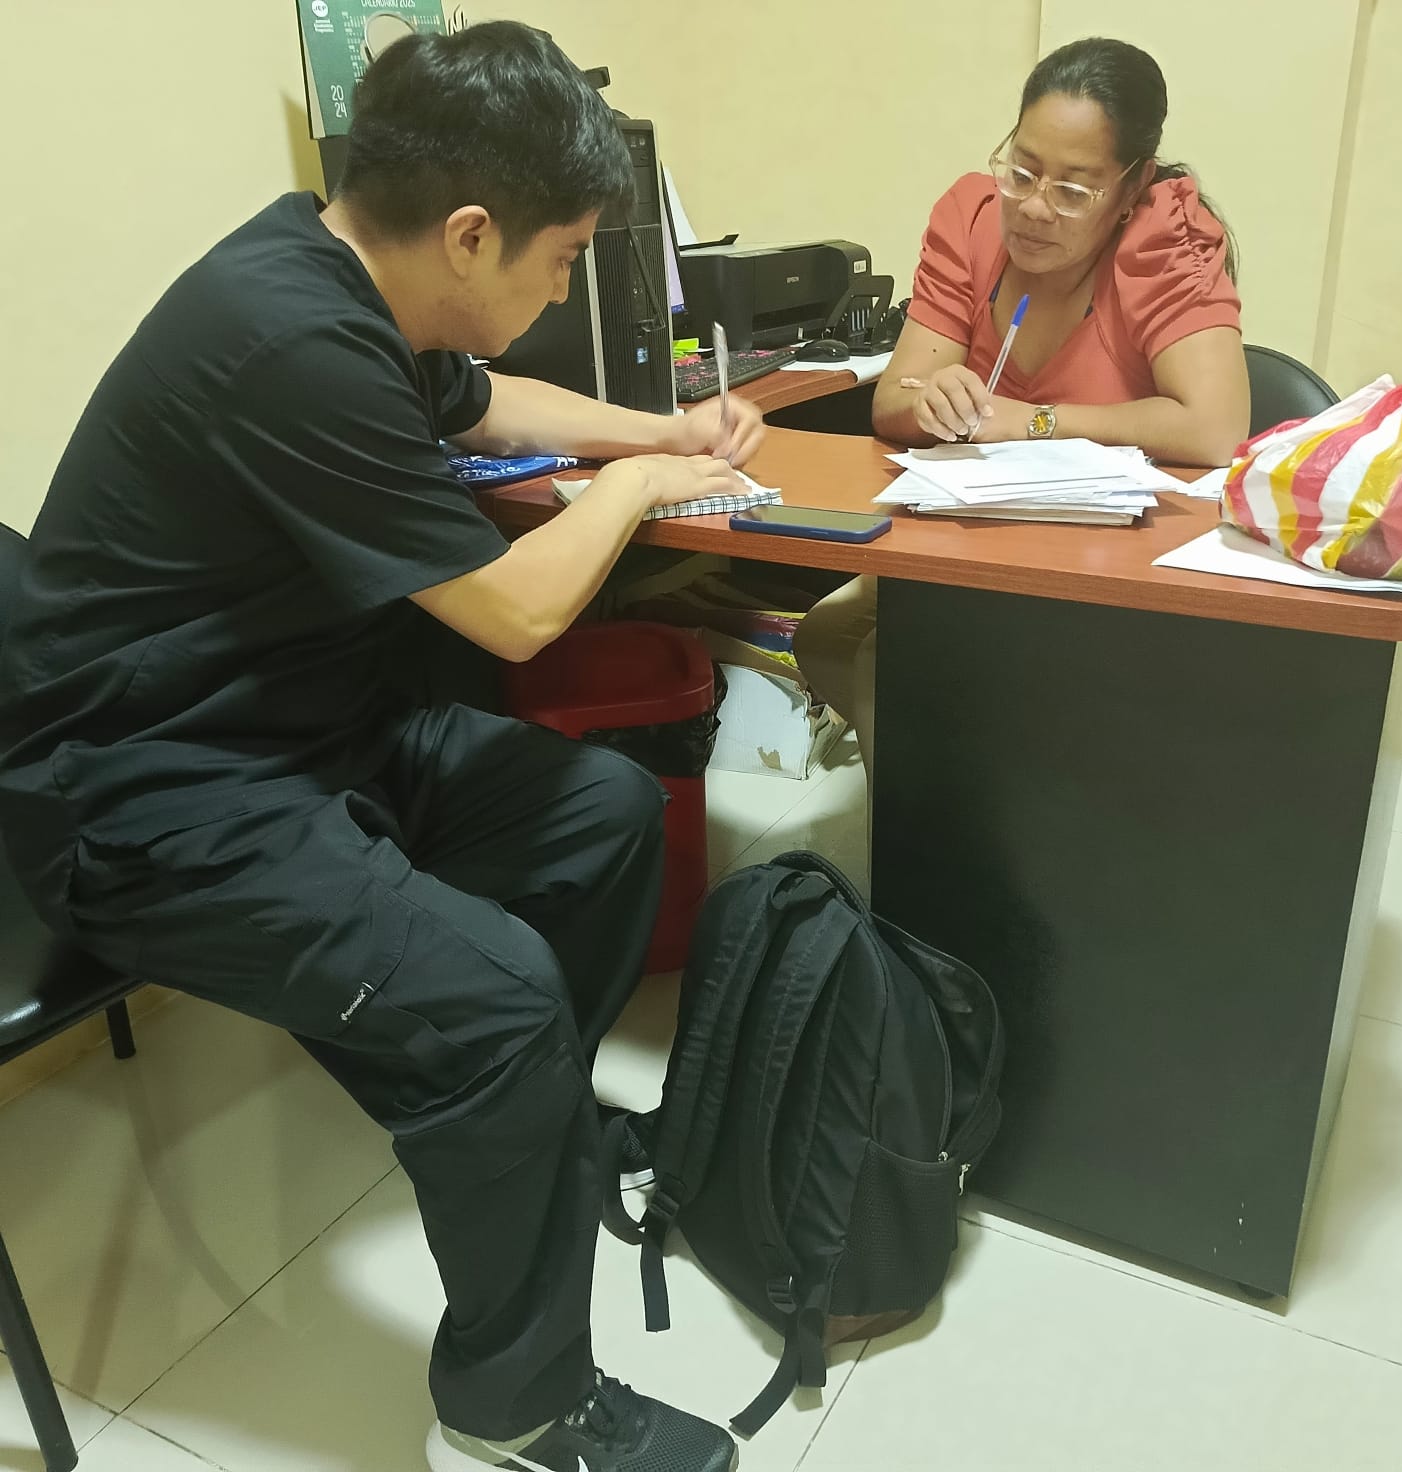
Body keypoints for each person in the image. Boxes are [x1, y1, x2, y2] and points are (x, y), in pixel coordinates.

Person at [0, 23, 759, 1472]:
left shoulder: (345, 276)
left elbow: (486, 400)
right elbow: (519, 615)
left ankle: (513, 1126)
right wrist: (641, 490)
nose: (559, 292)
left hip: (297, 737)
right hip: (147, 802)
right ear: (469, 235)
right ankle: (514, 1406)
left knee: (600, 815)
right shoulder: (288, 339)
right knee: (498, 1000)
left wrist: (660, 431)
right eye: (559, 260)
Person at [794, 36, 1250, 780]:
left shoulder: (1163, 239)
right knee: (826, 640)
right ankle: (974, 801)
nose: (1034, 209)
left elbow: (1216, 428)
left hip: (1109, 572)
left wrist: (1036, 420)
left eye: (1073, 189)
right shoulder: (972, 220)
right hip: (973, 552)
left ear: (1132, 185)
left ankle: (964, 827)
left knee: (896, 665)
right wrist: (931, 401)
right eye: (1023, 171)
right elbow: (891, 403)